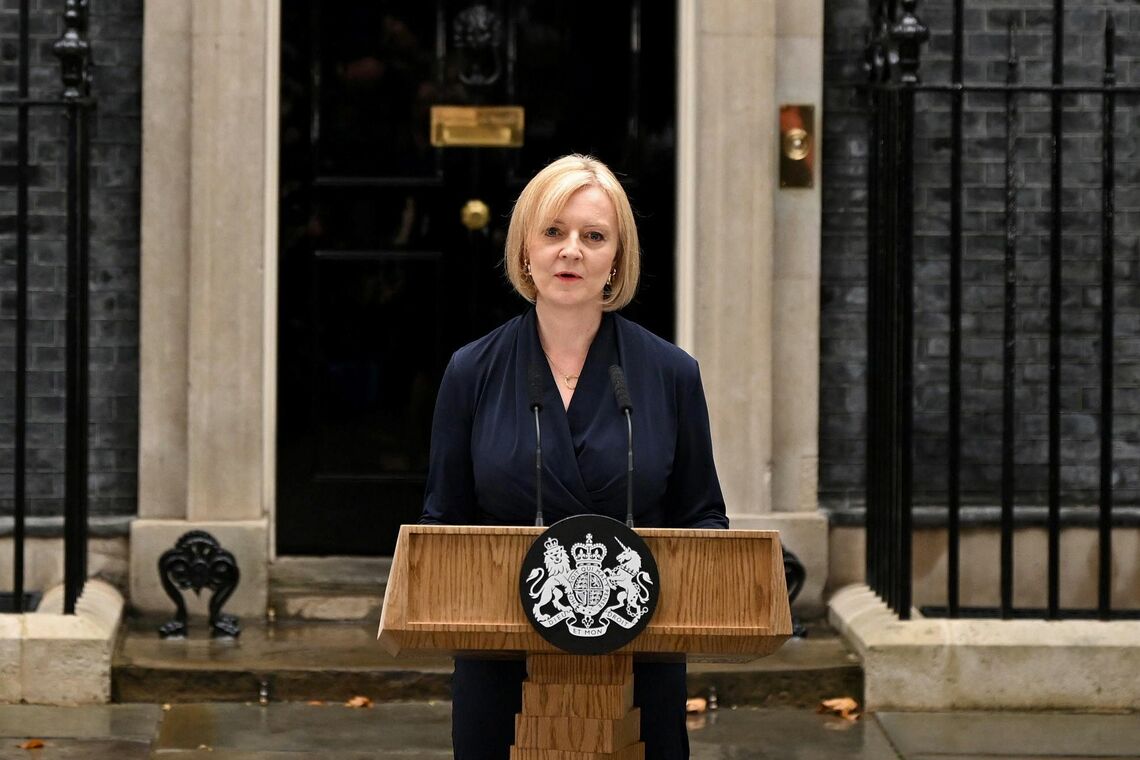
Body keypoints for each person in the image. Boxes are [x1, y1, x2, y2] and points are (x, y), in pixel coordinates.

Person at [419, 154, 728, 760]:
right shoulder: (471, 371)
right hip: (501, 661)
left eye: (593, 236)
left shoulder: (672, 374)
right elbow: (442, 526)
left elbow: (705, 520)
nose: (571, 252)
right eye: (554, 232)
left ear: (616, 259)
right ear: (525, 250)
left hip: (641, 656)